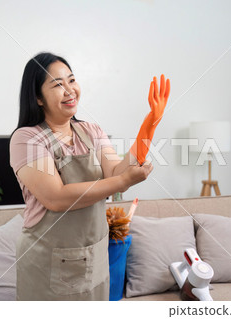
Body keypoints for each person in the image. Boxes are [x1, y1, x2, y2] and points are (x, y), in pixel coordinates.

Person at [10, 52, 169, 300]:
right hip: (46, 263)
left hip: (93, 259)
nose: (69, 90)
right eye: (57, 84)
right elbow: (57, 198)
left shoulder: (91, 131)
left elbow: (117, 171)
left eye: (71, 80)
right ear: (38, 98)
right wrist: (123, 181)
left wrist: (149, 124)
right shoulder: (27, 138)